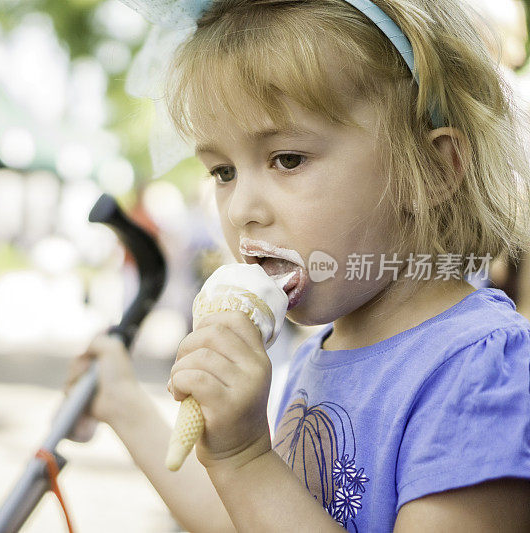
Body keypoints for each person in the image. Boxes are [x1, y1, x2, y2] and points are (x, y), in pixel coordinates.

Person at [66, 0, 530, 531]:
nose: (241, 210)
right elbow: (244, 518)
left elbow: (252, 484)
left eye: (287, 159)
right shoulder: (321, 353)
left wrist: (246, 461)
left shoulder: (480, 371)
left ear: (432, 170)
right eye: (222, 172)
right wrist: (126, 404)